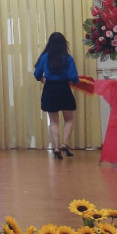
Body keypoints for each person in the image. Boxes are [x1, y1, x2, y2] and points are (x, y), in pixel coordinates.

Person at [33, 32, 80, 160]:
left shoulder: (44, 57)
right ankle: (65, 143)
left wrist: (43, 78)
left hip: (50, 89)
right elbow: (73, 77)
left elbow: (37, 75)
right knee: (69, 119)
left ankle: (56, 147)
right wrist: (79, 82)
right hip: (64, 88)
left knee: (54, 121)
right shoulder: (68, 58)